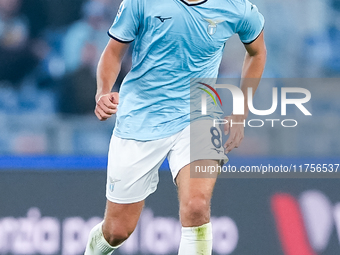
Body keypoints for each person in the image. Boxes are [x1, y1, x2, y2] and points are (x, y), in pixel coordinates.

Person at [84, 0, 266, 254]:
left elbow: (257, 52)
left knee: (197, 206)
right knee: (117, 231)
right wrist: (103, 93)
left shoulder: (236, 7)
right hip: (141, 117)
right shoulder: (140, 2)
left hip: (200, 116)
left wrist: (240, 112)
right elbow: (114, 52)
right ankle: (94, 248)